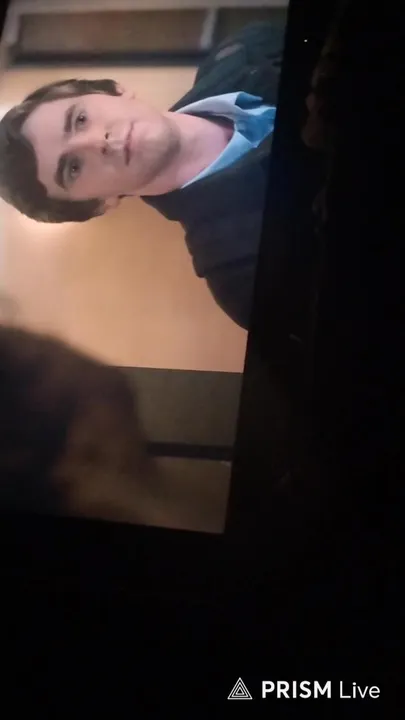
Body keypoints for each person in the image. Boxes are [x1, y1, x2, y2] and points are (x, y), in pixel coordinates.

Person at [0, 22, 284, 329]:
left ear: (114, 90)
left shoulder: (245, 49)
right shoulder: (241, 274)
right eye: (73, 167)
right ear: (99, 204)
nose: (97, 142)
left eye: (80, 119)